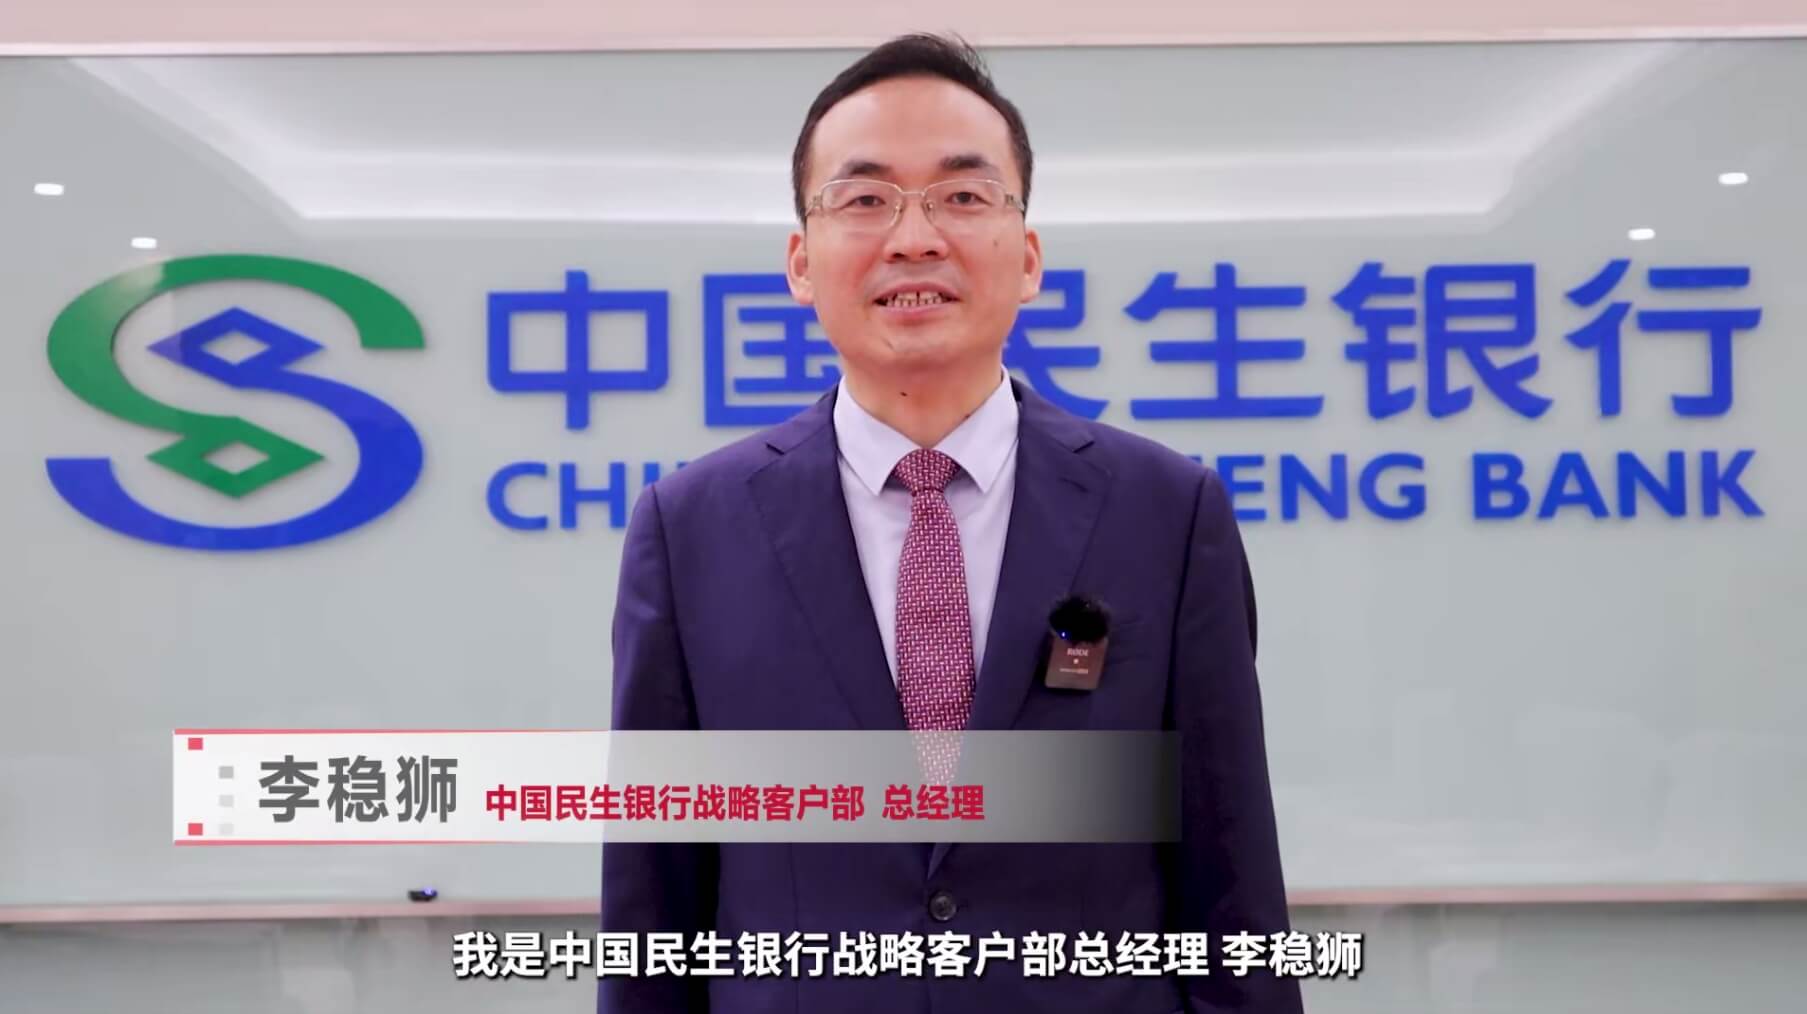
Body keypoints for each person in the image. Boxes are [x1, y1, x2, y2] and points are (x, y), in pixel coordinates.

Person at [601, 33, 1303, 1014]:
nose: (914, 238)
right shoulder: (690, 531)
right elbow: (653, 908)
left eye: (963, 196)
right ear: (800, 262)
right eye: (865, 199)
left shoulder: (1167, 513)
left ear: (1028, 257)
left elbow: (1231, 883)